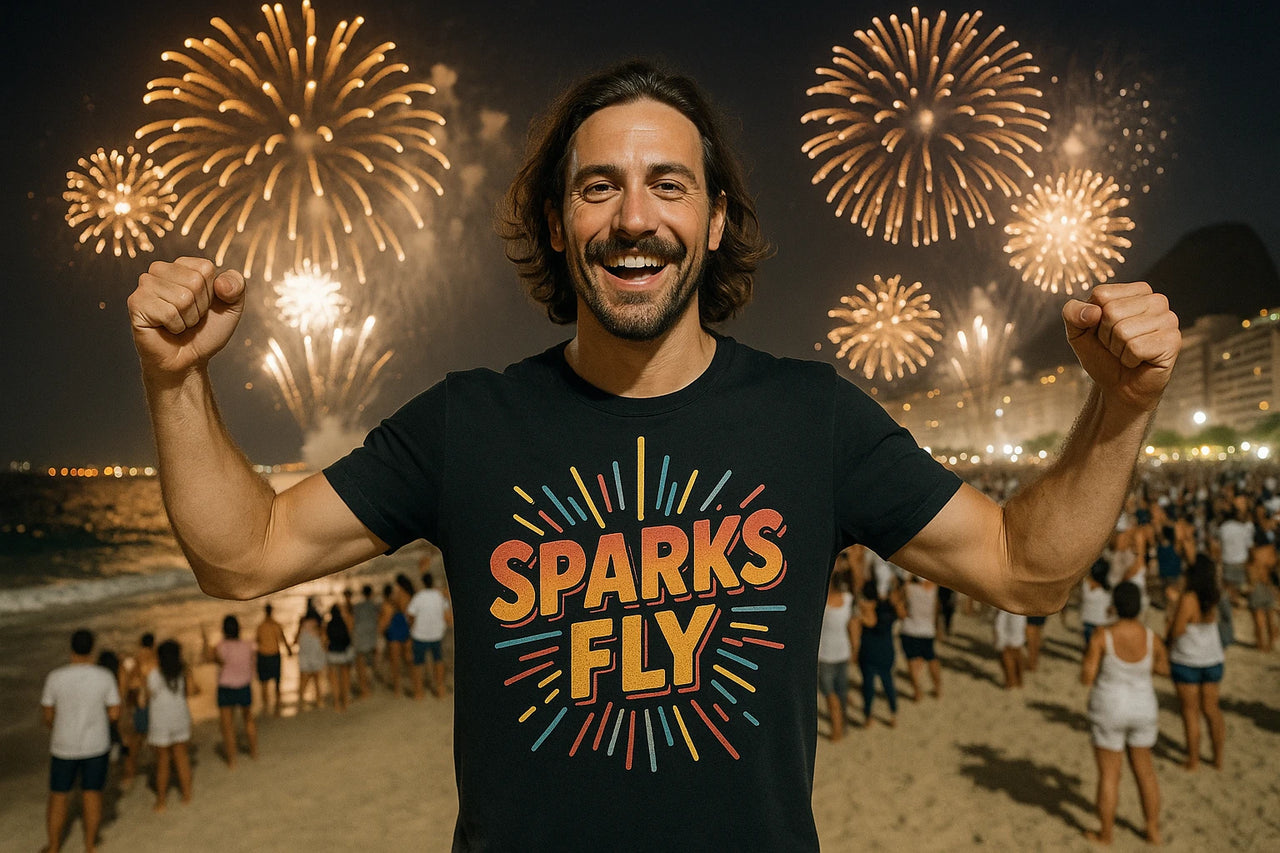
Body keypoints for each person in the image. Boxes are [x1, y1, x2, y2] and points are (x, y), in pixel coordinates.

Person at [126, 60, 1180, 850]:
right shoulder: (467, 423)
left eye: (668, 185)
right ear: (555, 223)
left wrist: (1122, 406)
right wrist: (175, 379)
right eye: (599, 187)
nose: (634, 217)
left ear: (715, 222)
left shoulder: (810, 417)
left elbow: (1025, 571)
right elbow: (243, 555)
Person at [1081, 582, 1169, 845]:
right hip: (1143, 706)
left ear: (1114, 605)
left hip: (1110, 706)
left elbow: (1087, 677)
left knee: (1109, 774)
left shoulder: (1102, 635)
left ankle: (1106, 833)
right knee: (1145, 772)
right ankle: (1152, 830)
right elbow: (1163, 669)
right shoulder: (1151, 637)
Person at [41, 629, 120, 853]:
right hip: (96, 745)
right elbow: (114, 713)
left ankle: (54, 846)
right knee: (92, 793)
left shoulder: (55, 677)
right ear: (92, 649)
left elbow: (48, 716)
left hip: (63, 745)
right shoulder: (104, 676)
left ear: (71, 648)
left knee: (58, 795)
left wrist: (61, 727)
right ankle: (90, 845)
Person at [1166, 554, 1227, 771]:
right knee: (1211, 709)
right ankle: (1218, 759)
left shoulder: (1189, 598)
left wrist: (1171, 609)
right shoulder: (1214, 596)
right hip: (1212, 658)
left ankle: (1193, 759)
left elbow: (1178, 630)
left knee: (1190, 711)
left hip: (1187, 660)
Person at [146, 638, 195, 812]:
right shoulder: (182, 673)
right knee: (181, 757)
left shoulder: (154, 674)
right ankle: (186, 795)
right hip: (180, 717)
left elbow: (148, 695)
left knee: (163, 761)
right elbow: (190, 692)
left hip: (161, 721)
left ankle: (161, 801)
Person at [206, 615, 258, 768]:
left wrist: (206, 643)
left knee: (227, 725)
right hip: (244, 685)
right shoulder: (248, 645)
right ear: (238, 629)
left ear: (224, 630)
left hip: (226, 687)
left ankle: (232, 760)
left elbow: (212, 659)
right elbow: (252, 663)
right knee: (248, 719)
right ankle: (254, 752)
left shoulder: (221, 647)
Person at [857, 578, 905, 727]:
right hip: (886, 651)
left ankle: (868, 716)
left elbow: (864, 624)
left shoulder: (862, 609)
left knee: (868, 687)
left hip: (868, 652)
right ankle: (893, 714)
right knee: (888, 683)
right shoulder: (886, 608)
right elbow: (901, 614)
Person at [817, 567, 857, 741]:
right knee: (840, 692)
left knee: (830, 694)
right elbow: (853, 627)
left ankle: (837, 731)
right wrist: (855, 649)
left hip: (825, 655)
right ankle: (842, 725)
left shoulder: (822, 602)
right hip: (842, 652)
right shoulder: (848, 599)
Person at [406, 568, 453, 699]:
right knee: (438, 661)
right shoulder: (439, 596)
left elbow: (410, 614)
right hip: (436, 634)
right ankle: (440, 689)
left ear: (423, 582)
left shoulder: (418, 597)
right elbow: (446, 615)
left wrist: (411, 627)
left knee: (418, 664)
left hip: (420, 635)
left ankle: (419, 692)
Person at [899, 574, 941, 699]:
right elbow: (936, 610)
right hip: (927, 630)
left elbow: (901, 609)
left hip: (910, 629)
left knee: (912, 661)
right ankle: (938, 688)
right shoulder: (934, 588)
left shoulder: (910, 588)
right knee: (931, 659)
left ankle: (917, 691)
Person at [378, 576, 413, 696]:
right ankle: (413, 685)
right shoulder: (406, 597)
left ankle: (398, 688)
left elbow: (384, 623)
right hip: (404, 630)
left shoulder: (390, 603)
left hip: (394, 633)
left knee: (395, 662)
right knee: (408, 660)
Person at [255, 602, 291, 716]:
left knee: (264, 683)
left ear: (265, 611)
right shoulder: (276, 625)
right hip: (275, 655)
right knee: (277, 682)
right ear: (272, 611)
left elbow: (257, 642)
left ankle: (266, 706)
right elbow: (283, 640)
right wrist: (289, 650)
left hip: (263, 655)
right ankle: (277, 706)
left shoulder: (261, 626)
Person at [351, 583, 380, 696]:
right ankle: (370, 686)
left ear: (362, 593)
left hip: (360, 638)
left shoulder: (357, 606)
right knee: (371, 664)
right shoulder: (375, 606)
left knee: (361, 665)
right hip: (372, 637)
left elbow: (353, 621)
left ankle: (364, 689)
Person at [325, 603, 355, 710]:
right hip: (344, 653)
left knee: (334, 680)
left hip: (332, 653)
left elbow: (325, 639)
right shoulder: (345, 622)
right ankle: (345, 701)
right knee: (345, 678)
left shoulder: (328, 624)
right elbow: (350, 634)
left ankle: (337, 702)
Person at [294, 607, 326, 708]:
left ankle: (301, 702)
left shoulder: (302, 625)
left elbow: (296, 640)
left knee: (304, 681)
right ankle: (319, 701)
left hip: (305, 657)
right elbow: (324, 639)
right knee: (317, 679)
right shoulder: (318, 625)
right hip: (316, 655)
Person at [1080, 558, 1114, 650]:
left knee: (1089, 646)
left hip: (1087, 620)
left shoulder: (1086, 585)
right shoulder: (1107, 590)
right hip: (1101, 622)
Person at [993, 608, 1028, 689]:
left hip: (1010, 610)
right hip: (1017, 613)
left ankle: (1011, 681)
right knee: (1016, 651)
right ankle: (1018, 681)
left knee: (1007, 652)